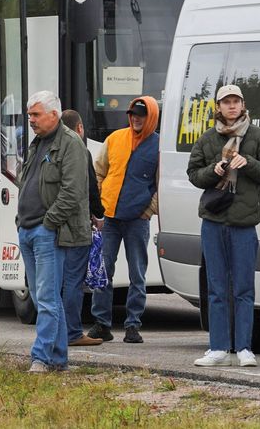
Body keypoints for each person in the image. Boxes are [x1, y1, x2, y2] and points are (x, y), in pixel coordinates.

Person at [188, 84, 260, 368]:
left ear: (242, 105)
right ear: (218, 107)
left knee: (243, 288)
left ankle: (243, 348)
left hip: (243, 223)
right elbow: (193, 174)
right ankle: (217, 348)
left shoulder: (258, 136)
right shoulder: (207, 139)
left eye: (235, 101)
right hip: (213, 221)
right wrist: (213, 169)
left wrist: (248, 162)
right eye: (226, 102)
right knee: (216, 287)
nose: (231, 106)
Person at [16, 90, 89, 373]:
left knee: (47, 298)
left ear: (54, 115)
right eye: (29, 114)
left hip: (48, 231)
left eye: (35, 114)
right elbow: (28, 182)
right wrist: (21, 220)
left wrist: (49, 222)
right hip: (28, 228)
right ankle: (58, 358)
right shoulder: (37, 143)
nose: (30, 120)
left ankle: (41, 357)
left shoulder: (70, 144)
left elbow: (72, 191)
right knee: (42, 298)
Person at [87, 96, 160, 345]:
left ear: (150, 117)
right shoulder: (114, 139)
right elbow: (98, 171)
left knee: (137, 274)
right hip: (108, 218)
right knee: (102, 271)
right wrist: (97, 206)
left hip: (137, 220)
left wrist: (148, 211)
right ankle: (101, 324)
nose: (136, 118)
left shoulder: (158, 146)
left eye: (141, 114)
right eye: (132, 114)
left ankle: (133, 325)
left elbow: (161, 185)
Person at [59, 109, 104, 347]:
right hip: (76, 225)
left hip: (55, 226)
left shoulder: (53, 148)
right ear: (79, 128)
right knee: (74, 281)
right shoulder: (80, 150)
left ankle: (59, 330)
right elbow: (89, 189)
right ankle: (73, 332)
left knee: (59, 281)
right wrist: (99, 214)